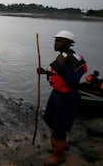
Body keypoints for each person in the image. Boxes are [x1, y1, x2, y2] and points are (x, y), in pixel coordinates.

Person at [37, 30, 87, 166]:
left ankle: (58, 155)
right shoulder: (63, 56)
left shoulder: (74, 59)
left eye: (59, 41)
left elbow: (73, 82)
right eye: (55, 40)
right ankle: (61, 143)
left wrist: (60, 67)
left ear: (68, 43)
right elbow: (58, 75)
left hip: (67, 95)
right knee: (48, 117)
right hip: (57, 92)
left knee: (60, 125)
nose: (56, 43)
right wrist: (46, 72)